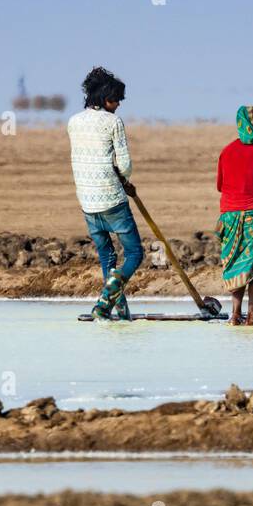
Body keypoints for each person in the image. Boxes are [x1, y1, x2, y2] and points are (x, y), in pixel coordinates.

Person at [69, 66, 142, 320]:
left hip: (87, 201)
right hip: (112, 199)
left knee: (107, 256)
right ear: (103, 97)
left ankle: (119, 312)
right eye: (115, 99)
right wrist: (125, 178)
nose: (118, 104)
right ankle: (104, 301)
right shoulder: (113, 123)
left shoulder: (74, 122)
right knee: (134, 253)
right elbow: (125, 165)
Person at [216, 105, 253, 326]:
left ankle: (235, 315)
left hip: (229, 218)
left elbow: (220, 185)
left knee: (237, 266)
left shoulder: (226, 151)